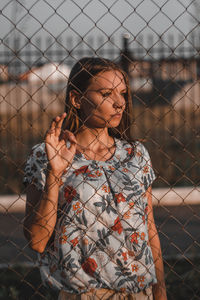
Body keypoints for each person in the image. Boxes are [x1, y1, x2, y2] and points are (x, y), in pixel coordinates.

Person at [23, 57, 167, 300]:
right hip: (84, 293)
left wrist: (160, 290)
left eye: (122, 93)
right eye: (106, 93)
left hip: (139, 292)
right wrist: (55, 174)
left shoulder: (136, 154)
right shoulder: (46, 155)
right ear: (77, 99)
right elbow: (37, 241)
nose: (120, 103)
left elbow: (149, 228)